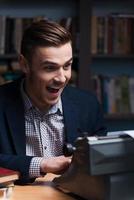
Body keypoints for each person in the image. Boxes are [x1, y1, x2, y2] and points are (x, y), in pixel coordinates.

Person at [0, 19, 107, 184]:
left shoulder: (88, 106)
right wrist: (42, 164)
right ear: (25, 64)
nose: (62, 78)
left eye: (67, 66)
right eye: (50, 68)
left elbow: (102, 162)